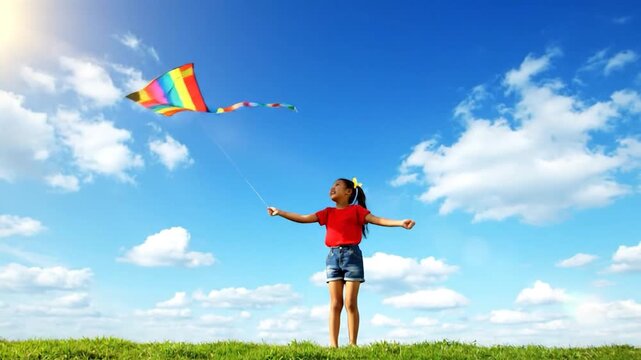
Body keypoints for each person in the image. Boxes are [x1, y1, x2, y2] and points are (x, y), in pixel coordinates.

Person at [267, 177, 415, 347]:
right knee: (336, 303)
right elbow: (303, 217)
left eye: (337, 185)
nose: (332, 188)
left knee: (350, 303)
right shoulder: (328, 212)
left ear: (348, 191)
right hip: (332, 258)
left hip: (352, 256)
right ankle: (333, 345)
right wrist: (280, 212)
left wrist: (400, 223)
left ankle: (353, 344)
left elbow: (378, 220)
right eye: (331, 185)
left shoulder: (357, 210)